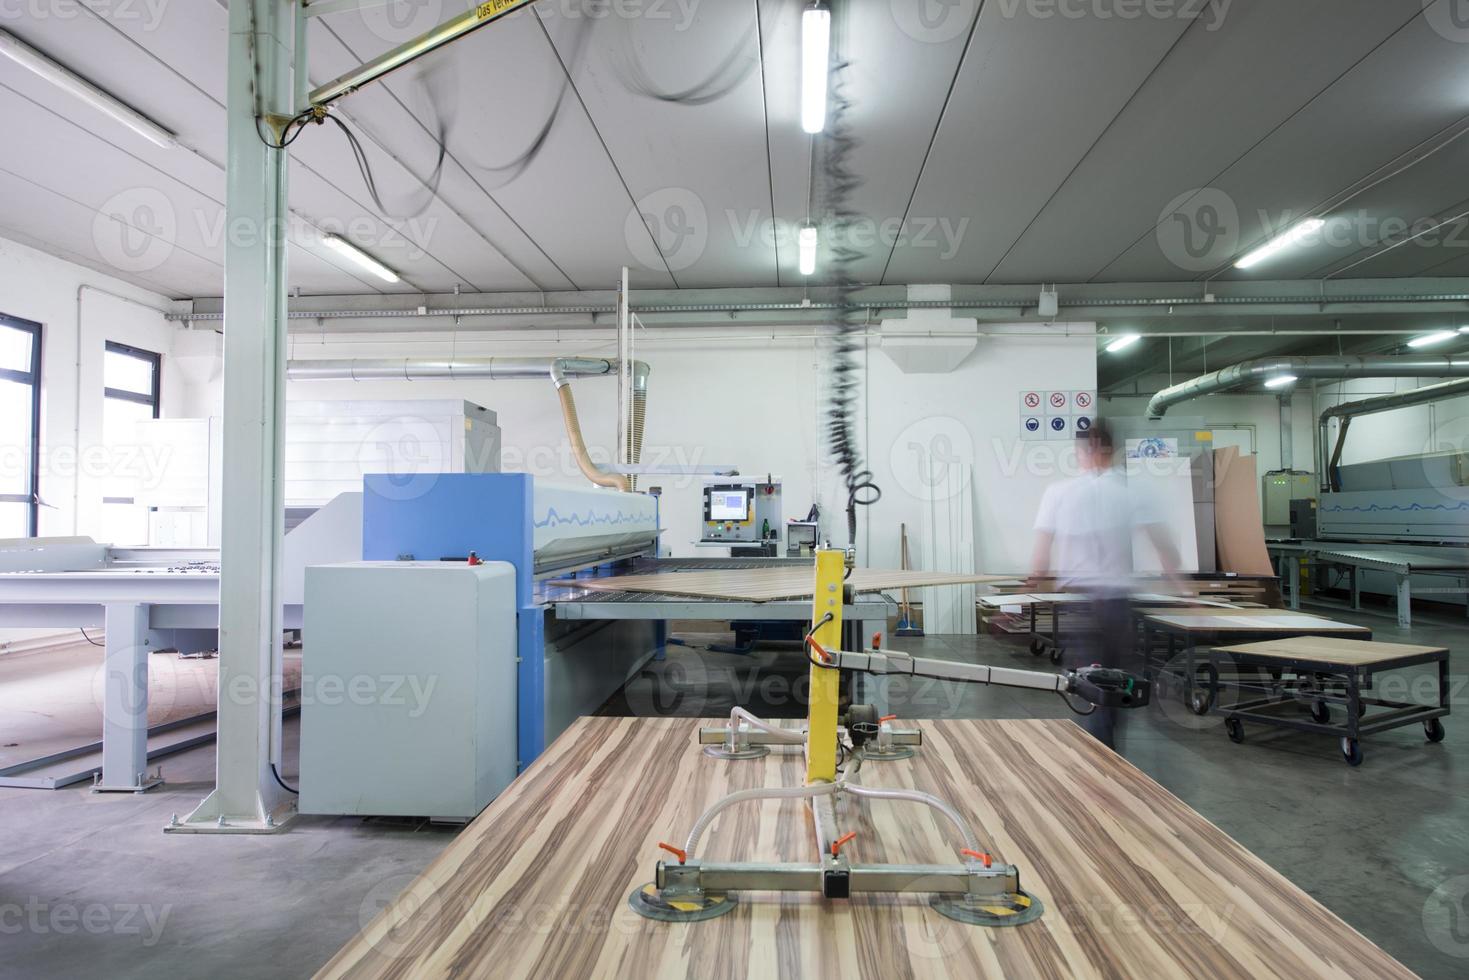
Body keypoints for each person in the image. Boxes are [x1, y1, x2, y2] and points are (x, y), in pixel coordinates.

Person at [1029, 422, 1181, 748]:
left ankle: (1095, 749)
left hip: (1078, 602)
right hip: (1115, 601)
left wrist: (1030, 588)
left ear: (1083, 451)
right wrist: (1184, 590)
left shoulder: (1059, 492)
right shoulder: (1133, 490)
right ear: (1111, 450)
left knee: (1086, 678)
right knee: (1114, 678)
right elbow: (1164, 544)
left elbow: (1042, 551)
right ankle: (1106, 747)